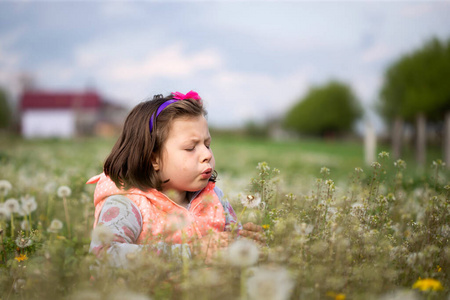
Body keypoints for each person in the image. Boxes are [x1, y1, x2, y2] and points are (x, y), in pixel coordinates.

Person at [87, 91, 264, 267]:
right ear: (153, 159)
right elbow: (103, 254)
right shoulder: (128, 204)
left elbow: (226, 243)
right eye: (190, 148)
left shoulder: (214, 197)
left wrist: (246, 244)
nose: (206, 154)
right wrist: (191, 253)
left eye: (207, 144)